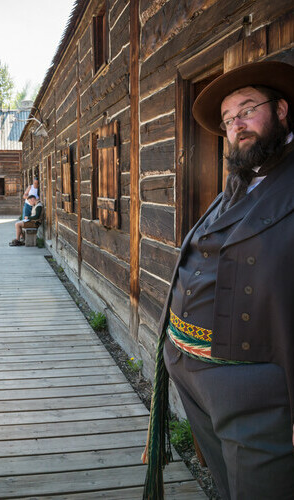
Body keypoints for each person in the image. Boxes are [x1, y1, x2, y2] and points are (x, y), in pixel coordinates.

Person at [142, 61, 294, 500]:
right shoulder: (239, 184)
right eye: (229, 120)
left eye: (247, 110)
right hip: (191, 372)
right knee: (226, 487)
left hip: (252, 390)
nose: (237, 125)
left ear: (281, 110)